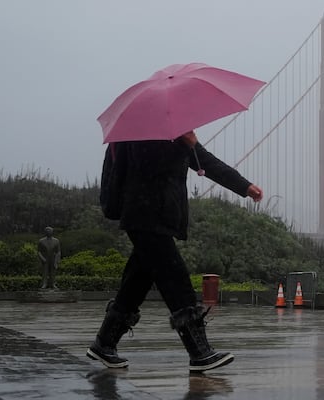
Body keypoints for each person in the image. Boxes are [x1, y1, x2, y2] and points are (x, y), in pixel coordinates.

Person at [86, 131, 263, 372]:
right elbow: (145, 168)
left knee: (137, 281)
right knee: (175, 278)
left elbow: (205, 161)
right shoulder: (136, 136)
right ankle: (199, 352)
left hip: (161, 218)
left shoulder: (176, 134)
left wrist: (244, 186)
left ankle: (104, 343)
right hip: (143, 216)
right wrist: (181, 146)